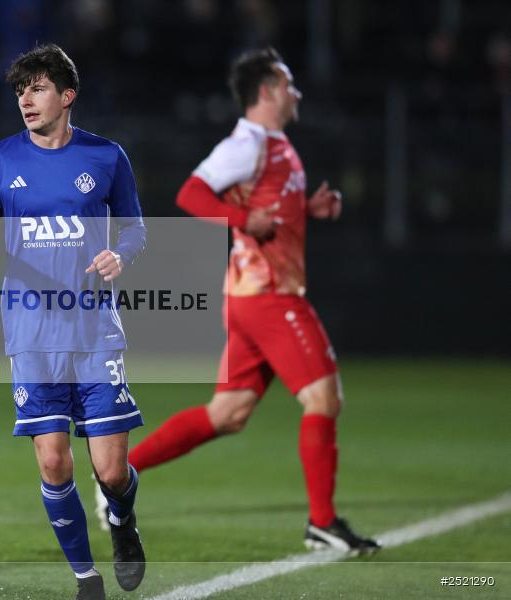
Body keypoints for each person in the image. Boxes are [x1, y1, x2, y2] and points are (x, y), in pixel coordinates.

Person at [97, 47, 381, 555]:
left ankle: (119, 476)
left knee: (227, 412)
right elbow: (192, 193)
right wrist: (243, 222)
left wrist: (306, 209)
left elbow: (265, 207)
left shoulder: (274, 144)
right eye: (288, 83)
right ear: (268, 90)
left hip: (249, 299)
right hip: (270, 297)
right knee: (323, 398)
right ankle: (322, 522)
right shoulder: (247, 142)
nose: (295, 92)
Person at [0, 44, 147, 599]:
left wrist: (121, 255)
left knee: (110, 471)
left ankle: (124, 525)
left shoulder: (106, 158)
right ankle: (86, 577)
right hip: (31, 333)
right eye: (20, 91)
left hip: (94, 330)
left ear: (67, 95)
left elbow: (134, 229)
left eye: (37, 89)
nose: (26, 100)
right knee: (54, 461)